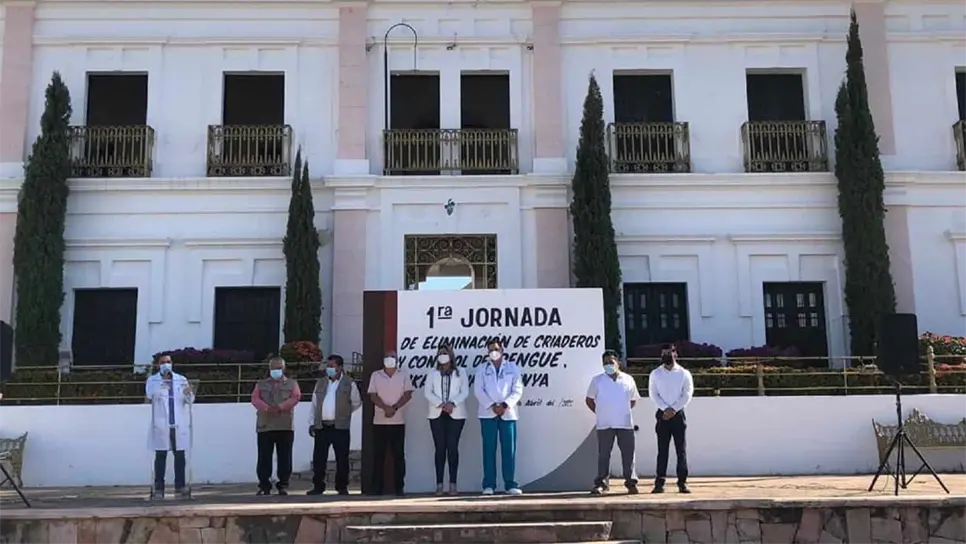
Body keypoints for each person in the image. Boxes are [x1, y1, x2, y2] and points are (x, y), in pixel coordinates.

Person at [585, 350, 641, 495]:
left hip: (625, 423)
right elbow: (589, 400)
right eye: (605, 363)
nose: (608, 365)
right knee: (604, 455)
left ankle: (631, 483)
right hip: (605, 424)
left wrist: (622, 410)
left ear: (618, 362)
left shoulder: (628, 379)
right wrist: (600, 412)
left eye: (611, 362)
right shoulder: (597, 380)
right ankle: (601, 484)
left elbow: (633, 400)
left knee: (628, 454)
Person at [474, 338, 524, 496]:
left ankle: (510, 484)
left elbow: (518, 389)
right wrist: (492, 406)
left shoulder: (512, 368)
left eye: (496, 349)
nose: (493, 352)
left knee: (509, 449)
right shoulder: (482, 369)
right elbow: (478, 390)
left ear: (502, 350)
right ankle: (489, 485)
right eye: (490, 350)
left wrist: (504, 405)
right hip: (487, 414)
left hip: (508, 413)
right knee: (489, 450)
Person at [306, 354, 362, 496]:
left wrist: (344, 413)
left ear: (340, 367)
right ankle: (318, 486)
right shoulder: (320, 383)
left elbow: (356, 402)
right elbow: (314, 404)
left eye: (332, 366)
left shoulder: (349, 382)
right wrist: (312, 423)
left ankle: (342, 487)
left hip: (340, 427)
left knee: (342, 458)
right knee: (319, 458)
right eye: (328, 365)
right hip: (322, 426)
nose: (329, 368)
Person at [250, 356, 302, 496]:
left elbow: (296, 397)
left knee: (284, 457)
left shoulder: (292, 384)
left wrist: (280, 407)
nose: (276, 371)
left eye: (279, 368)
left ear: (284, 368)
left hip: (285, 425)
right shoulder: (261, 384)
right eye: (273, 368)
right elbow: (255, 398)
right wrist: (267, 408)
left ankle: (283, 485)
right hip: (265, 425)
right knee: (264, 457)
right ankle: (264, 485)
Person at [145, 355, 194, 499]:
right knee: (161, 456)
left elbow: (190, 399)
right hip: (161, 424)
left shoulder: (181, 379)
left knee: (180, 456)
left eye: (168, 362)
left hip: (177, 423)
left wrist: (188, 393)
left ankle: (180, 487)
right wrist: (163, 383)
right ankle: (159, 488)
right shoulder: (153, 380)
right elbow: (150, 395)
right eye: (163, 362)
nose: (166, 364)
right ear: (157, 365)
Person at [648, 344, 694, 494]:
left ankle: (682, 483)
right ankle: (659, 483)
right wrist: (665, 408)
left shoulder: (684, 373)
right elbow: (653, 394)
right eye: (664, 353)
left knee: (681, 450)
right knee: (662, 450)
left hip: (678, 415)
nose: (667, 356)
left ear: (675, 354)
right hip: (662, 415)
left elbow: (687, 394)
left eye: (669, 353)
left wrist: (674, 409)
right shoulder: (655, 374)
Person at [367, 351, 414, 496]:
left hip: (398, 421)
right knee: (378, 455)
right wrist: (385, 408)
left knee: (398, 455)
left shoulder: (403, 375)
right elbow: (373, 395)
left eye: (392, 357)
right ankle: (377, 487)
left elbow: (408, 394)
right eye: (387, 357)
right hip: (379, 421)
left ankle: (399, 487)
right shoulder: (376, 375)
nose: (390, 359)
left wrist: (394, 408)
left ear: (397, 360)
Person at [424, 343, 469, 495]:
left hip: (456, 414)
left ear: (451, 355)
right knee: (440, 448)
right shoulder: (432, 373)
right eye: (440, 353)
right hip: (437, 414)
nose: (442, 355)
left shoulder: (460, 372)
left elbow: (464, 392)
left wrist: (452, 403)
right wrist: (441, 404)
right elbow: (427, 392)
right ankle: (439, 484)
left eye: (445, 352)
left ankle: (453, 484)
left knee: (452, 447)